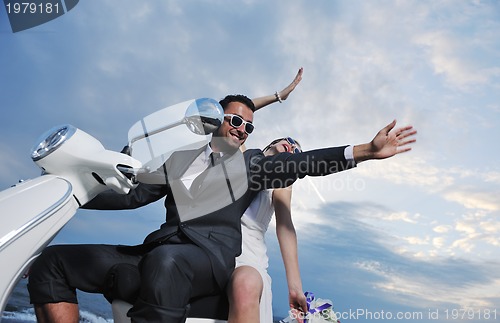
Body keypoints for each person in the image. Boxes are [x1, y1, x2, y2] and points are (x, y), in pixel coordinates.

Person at [28, 89, 416, 322]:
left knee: (170, 263)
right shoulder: (178, 160)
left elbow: (303, 163)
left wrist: (364, 151)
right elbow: (132, 195)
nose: (241, 128)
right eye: (234, 120)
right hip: (155, 249)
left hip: (206, 260)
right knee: (53, 262)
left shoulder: (253, 165)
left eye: (249, 126)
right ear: (216, 121)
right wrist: (65, 194)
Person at [228, 137, 306, 323]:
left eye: (296, 153)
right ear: (272, 142)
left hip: (248, 256)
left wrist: (295, 286)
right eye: (290, 141)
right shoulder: (243, 155)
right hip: (214, 244)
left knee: (247, 284)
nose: (293, 147)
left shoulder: (283, 181)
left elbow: (285, 226)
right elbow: (235, 113)